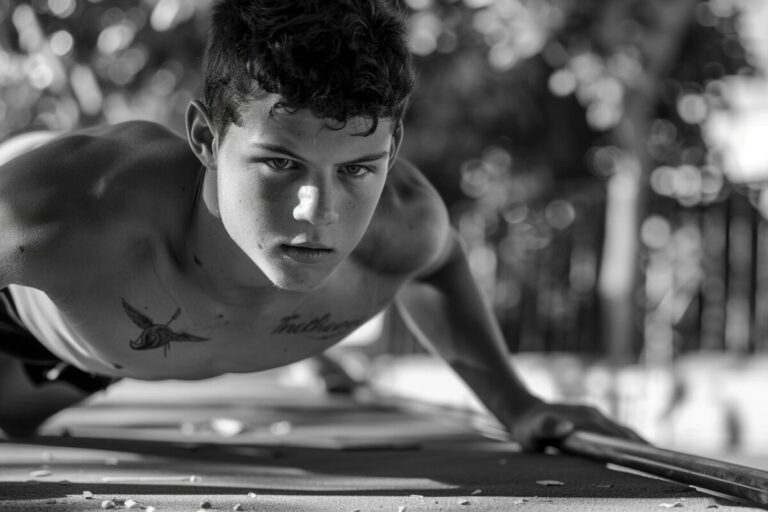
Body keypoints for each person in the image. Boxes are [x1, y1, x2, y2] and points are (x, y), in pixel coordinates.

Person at [0, 0, 640, 450]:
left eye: (358, 169)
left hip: (96, 352)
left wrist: (516, 405)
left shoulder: (404, 224)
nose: (318, 209)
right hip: (23, 297)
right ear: (203, 137)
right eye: (279, 162)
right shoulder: (71, 209)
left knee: (15, 424)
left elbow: (439, 261)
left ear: (391, 153)